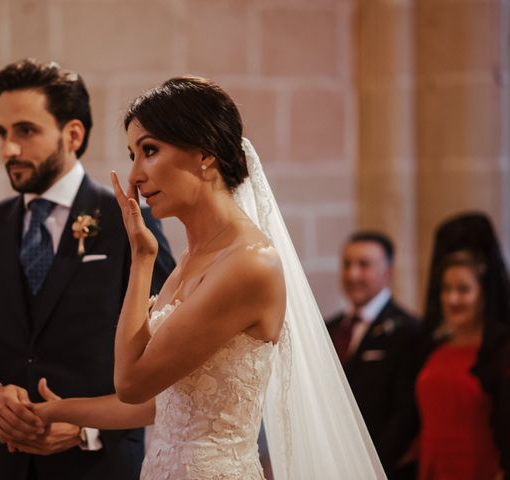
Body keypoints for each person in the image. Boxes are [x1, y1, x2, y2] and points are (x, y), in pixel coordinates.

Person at [27, 76, 387, 479]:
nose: (135, 177)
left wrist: (142, 260)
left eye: (149, 151)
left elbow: (131, 383)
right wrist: (55, 410)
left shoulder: (250, 263)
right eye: (133, 155)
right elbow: (158, 401)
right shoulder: (190, 260)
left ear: (205, 155)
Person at [0, 59, 175, 480]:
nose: (8, 149)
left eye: (25, 131)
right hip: (0, 466)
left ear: (73, 134)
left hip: (99, 467)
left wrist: (88, 429)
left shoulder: (128, 223)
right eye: (2, 133)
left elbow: (165, 363)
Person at [416, 212, 510, 479]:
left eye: (463, 289)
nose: (452, 299)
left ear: (483, 293)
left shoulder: (501, 354)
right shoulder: (436, 349)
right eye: (446, 289)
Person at [326, 231, 419, 478]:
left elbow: (406, 413)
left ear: (387, 272)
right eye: (347, 264)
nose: (352, 274)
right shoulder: (329, 328)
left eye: (364, 265)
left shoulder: (408, 331)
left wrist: (369, 467)